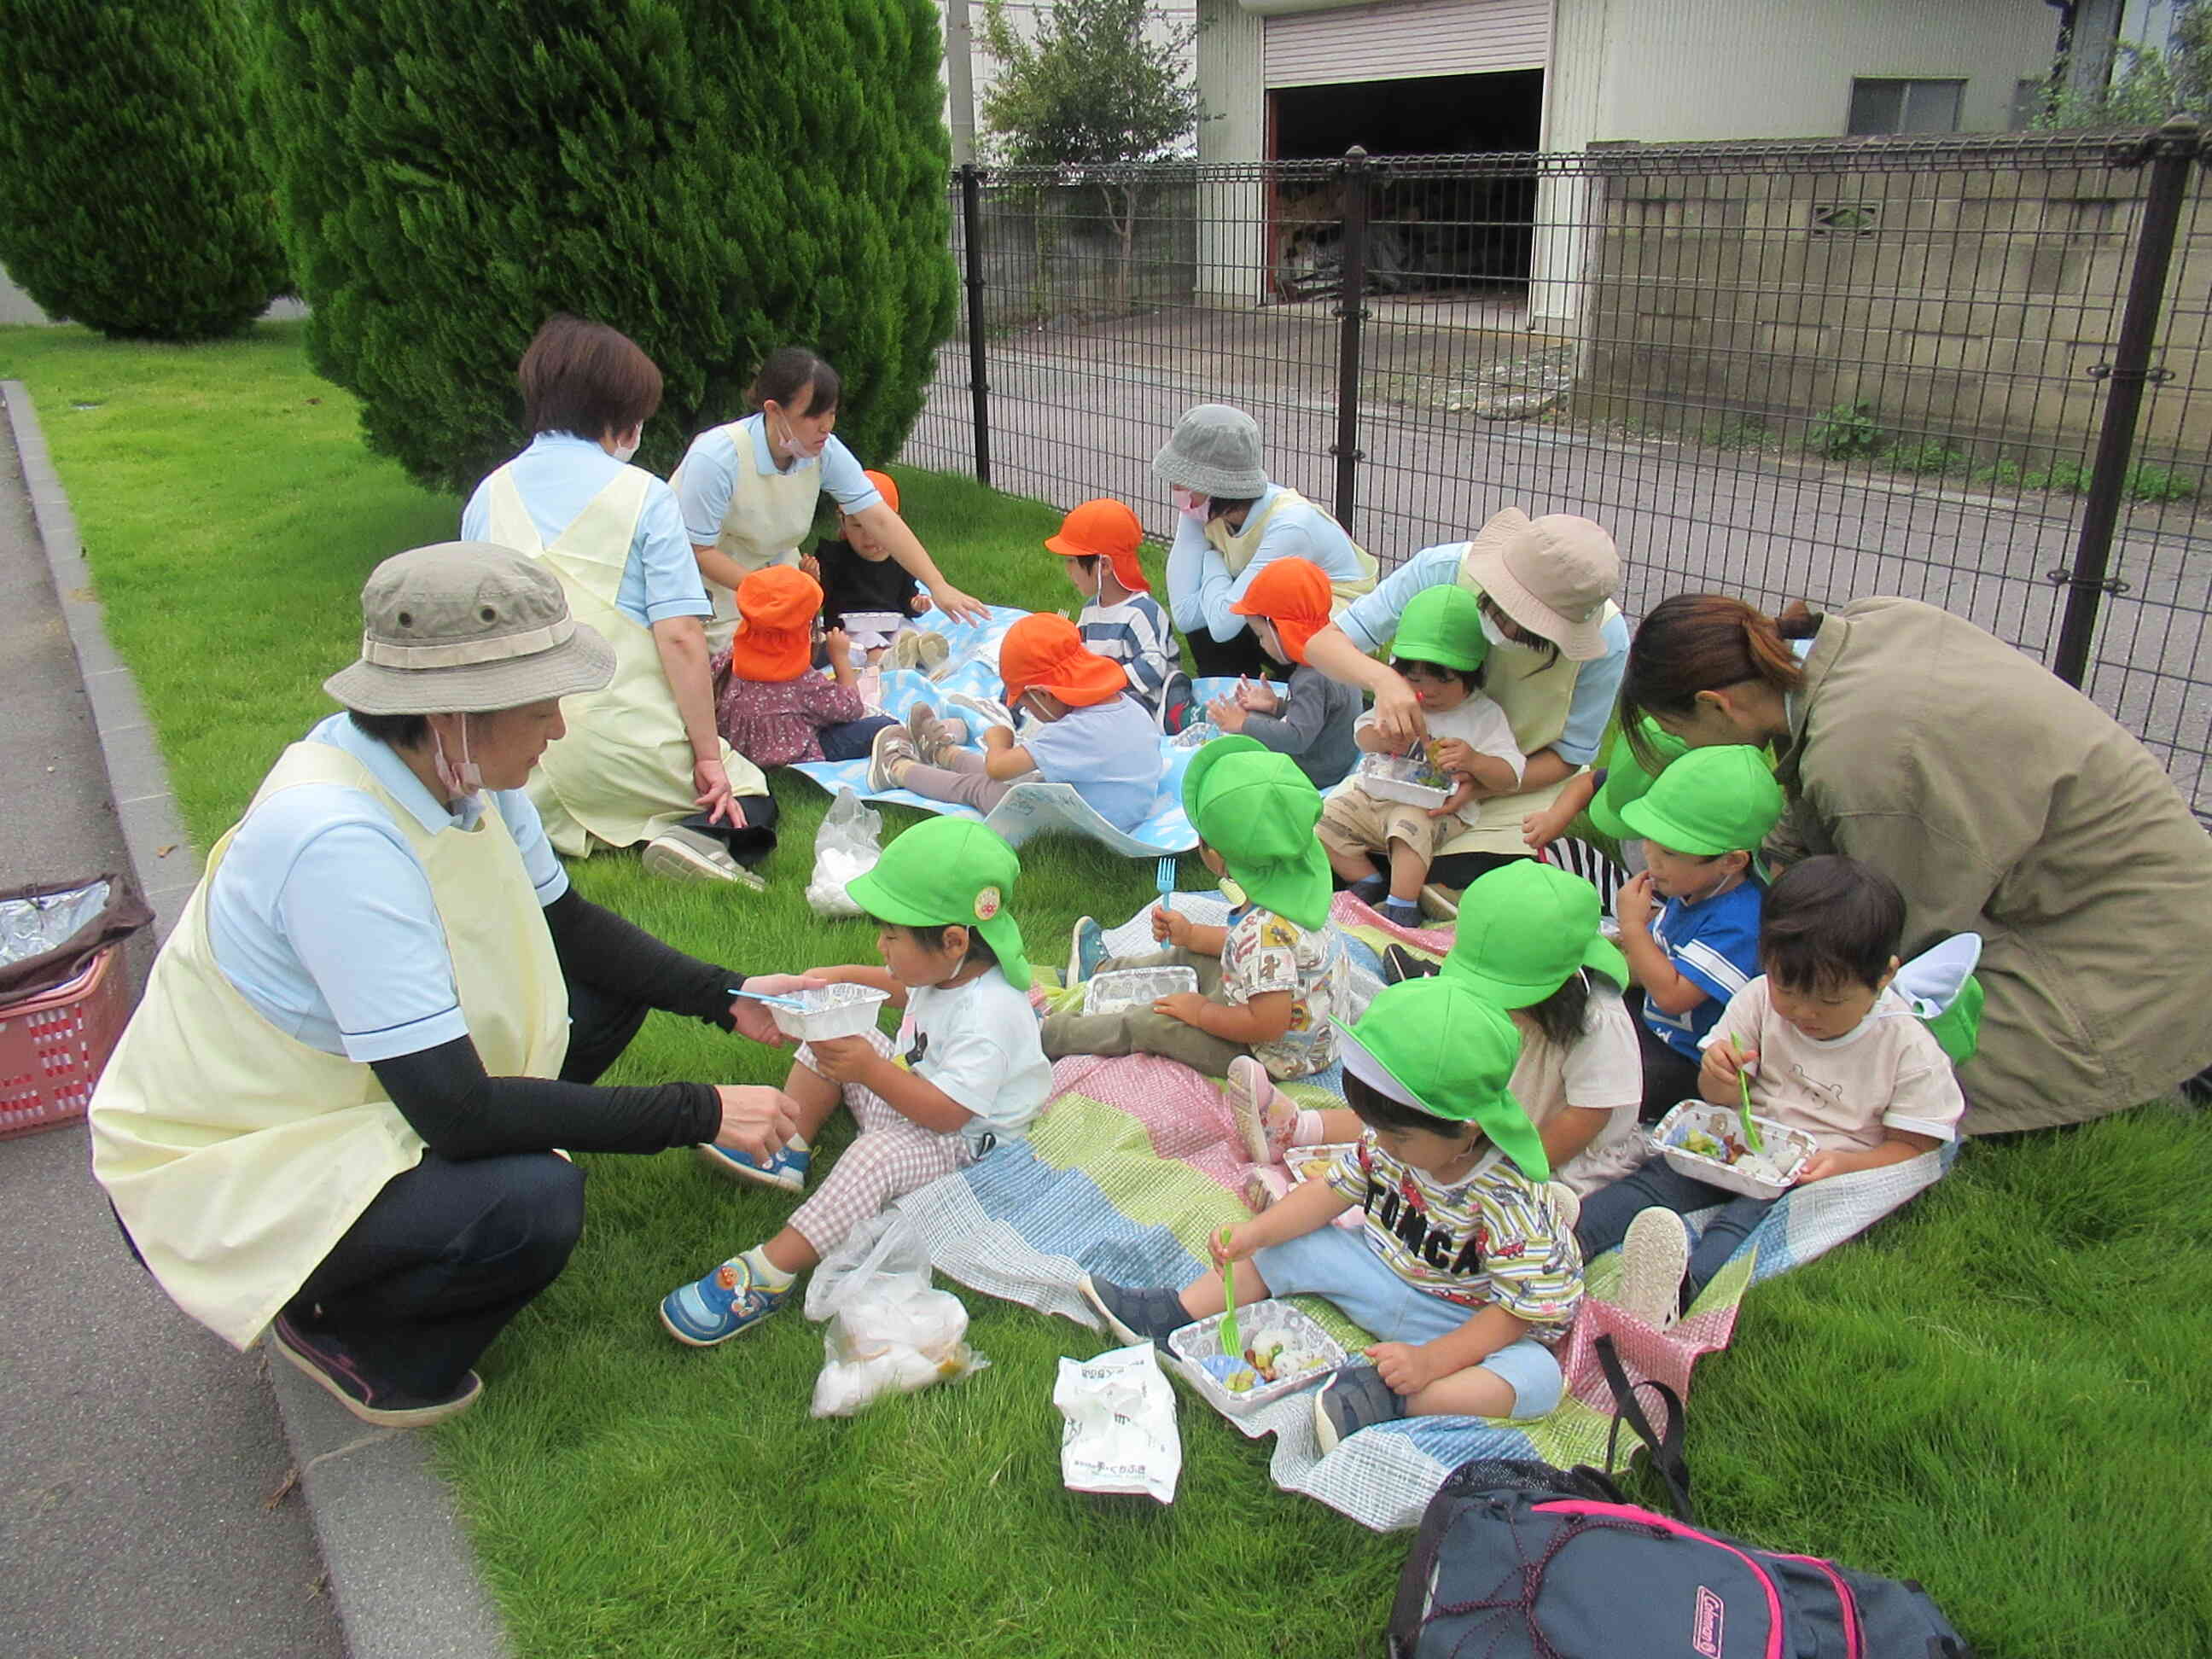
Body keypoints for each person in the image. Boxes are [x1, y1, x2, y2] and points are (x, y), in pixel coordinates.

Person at [90, 544, 808, 1428]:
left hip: (354, 1091)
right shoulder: (337, 842)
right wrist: (697, 1111)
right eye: (541, 704)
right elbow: (456, 1112)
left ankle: (446, 1201)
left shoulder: (458, 767)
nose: (558, 727)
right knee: (533, 1205)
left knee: (603, 992)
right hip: (231, 1159)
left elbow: (566, 925)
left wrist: (727, 993)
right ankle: (345, 1331)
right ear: (450, 714)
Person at [1616, 591, 2212, 1132]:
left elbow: (1888, 937)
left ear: (1715, 704)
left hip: (2126, 952)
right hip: (2100, 886)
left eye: (1680, 732)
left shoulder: (1869, 767)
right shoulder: (1862, 630)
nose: (1689, 751)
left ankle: (2154, 1074)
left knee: (1850, 1063)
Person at [1079, 977, 1581, 1450]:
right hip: (1381, 1269)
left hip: (1461, 1318)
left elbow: (1515, 1313)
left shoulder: (1508, 1199)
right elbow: (1330, 1193)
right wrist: (1256, 1233)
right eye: (1376, 1130)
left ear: (1468, 1129)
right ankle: (1176, 1315)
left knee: (1536, 1380)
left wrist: (1430, 1362)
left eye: (1398, 1137)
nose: (1381, 1145)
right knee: (1289, 1241)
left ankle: (1395, 1398)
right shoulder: (1389, 1144)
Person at [660, 818, 1051, 1345]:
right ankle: (788, 1149)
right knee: (830, 1033)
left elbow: (947, 1115)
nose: (881, 944)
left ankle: (771, 1271)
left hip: (965, 1148)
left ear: (954, 940)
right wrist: (837, 979)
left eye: (892, 934)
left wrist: (869, 1068)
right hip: (921, 1091)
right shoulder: (950, 969)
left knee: (873, 1158)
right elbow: (899, 988)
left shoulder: (989, 1018)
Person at [1577, 856, 1966, 1327]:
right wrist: (1719, 1076)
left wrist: (1846, 1164)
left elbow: (1918, 1148)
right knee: (1659, 1179)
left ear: (1883, 977)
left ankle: (1678, 1293)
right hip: (1743, 1139)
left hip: (1811, 1166)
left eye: (1829, 1000)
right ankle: (1569, 1236)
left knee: (1742, 1226)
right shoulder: (1760, 998)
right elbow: (1715, 1097)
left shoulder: (1906, 1047)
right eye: (1789, 990)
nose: (1804, 1012)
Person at [461, 316, 776, 887]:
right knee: (749, 795)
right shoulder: (647, 498)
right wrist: (708, 755)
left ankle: (545, 833)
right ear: (619, 415)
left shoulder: (488, 495)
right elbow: (679, 637)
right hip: (625, 744)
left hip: (517, 761)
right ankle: (696, 838)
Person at [1239, 861, 1643, 1202]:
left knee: (1445, 1196)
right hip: (1492, 1114)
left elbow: (1584, 1119)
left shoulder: (1598, 1021)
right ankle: (1297, 1127)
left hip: (1557, 1156)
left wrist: (1505, 1170)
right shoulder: (1519, 997)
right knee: (1411, 1117)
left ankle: (1342, 1206)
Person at [1302, 508, 1627, 899]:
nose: (1506, 632)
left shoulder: (1609, 640)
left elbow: (1568, 756)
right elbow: (1323, 645)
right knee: (1318, 846)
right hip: (1408, 776)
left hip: (1513, 783)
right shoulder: (1440, 570)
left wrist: (1481, 784)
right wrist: (1384, 681)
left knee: (1455, 884)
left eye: (1529, 630)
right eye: (1504, 611)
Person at [1045, 736, 1348, 1080]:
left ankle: (1052, 1034)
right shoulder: (1300, 888)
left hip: (1266, 1055)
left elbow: (1267, 1024)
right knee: (1190, 956)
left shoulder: (1264, 931)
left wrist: (1200, 1012)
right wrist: (1189, 934)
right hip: (1283, 1017)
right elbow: (1255, 953)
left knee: (1153, 1023)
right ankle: (1103, 970)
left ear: (1216, 856)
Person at [672, 346, 986, 652]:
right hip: (704, 582)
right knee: (747, 666)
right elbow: (698, 550)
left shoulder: (824, 451)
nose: (826, 426)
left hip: (772, 574)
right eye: (812, 415)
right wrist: (766, 591)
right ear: (773, 411)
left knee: (794, 657)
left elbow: (879, 517)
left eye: (832, 413)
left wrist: (937, 584)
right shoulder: (717, 456)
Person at [1317, 584, 1524, 928]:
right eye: (1414, 680)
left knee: (1407, 823)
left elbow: (1511, 774)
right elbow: (1363, 735)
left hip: (1436, 811)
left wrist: (1474, 761)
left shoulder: (1482, 715)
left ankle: (1402, 906)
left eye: (1442, 683)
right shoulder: (1399, 700)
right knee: (1322, 818)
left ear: (1473, 676)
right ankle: (1368, 880)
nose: (1426, 693)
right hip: (1375, 797)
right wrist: (1383, 737)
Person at [1612, 745, 1783, 1117]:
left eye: (1670, 853)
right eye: (1649, 843)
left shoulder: (1740, 920)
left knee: (1611, 1080)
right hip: (1654, 1023)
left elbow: (1674, 996)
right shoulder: (1691, 887)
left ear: (1731, 861)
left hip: (1692, 1058)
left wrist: (1630, 927)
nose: (1651, 860)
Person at [871, 614, 1162, 832]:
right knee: (1022, 778)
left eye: (1024, 703)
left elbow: (997, 769)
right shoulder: (1128, 707)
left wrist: (1000, 737)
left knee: (982, 788)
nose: (1026, 710)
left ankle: (896, 769)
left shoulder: (1075, 731)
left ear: (1043, 694)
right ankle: (942, 754)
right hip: (1119, 809)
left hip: (1085, 828)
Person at [1153, 404, 1377, 678]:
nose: (1175, 487)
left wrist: (1212, 560)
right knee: (1215, 613)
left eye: (1183, 479)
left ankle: (1302, 702)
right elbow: (1186, 616)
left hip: (1331, 624)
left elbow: (1225, 623)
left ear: (1215, 485)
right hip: (1269, 608)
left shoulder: (1290, 525)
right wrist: (1222, 589)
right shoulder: (1200, 507)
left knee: (1239, 611)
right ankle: (1227, 692)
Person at [712, 566, 897, 767]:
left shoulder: (731, 656)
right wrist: (840, 659)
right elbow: (851, 709)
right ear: (806, 626)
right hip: (795, 753)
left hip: (740, 746)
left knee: (825, 649)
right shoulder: (802, 683)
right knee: (884, 726)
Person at [1204, 556, 1360, 789]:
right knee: (1255, 718)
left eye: (1261, 636)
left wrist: (1243, 723)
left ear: (1281, 628)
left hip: (1315, 773)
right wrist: (1277, 706)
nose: (1261, 645)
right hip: (1335, 756)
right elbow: (1324, 715)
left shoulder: (1310, 678)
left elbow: (1297, 738)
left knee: (1239, 737)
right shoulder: (1332, 653)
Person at [1046, 497, 1193, 731]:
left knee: (1093, 719)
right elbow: (1080, 654)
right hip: (1105, 696)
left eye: (1072, 561)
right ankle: (1013, 713)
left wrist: (1102, 682)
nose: (1067, 569)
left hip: (1142, 700)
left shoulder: (1141, 612)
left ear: (1104, 566)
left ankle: (1176, 712)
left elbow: (1153, 666)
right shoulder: (1090, 610)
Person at [813, 469, 929, 637]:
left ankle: (919, 650)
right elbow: (819, 600)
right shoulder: (832, 556)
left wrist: (915, 605)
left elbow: (906, 603)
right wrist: (812, 580)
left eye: (878, 526)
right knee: (866, 641)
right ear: (842, 520)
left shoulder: (901, 557)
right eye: (858, 526)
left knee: (909, 634)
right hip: (848, 630)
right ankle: (885, 656)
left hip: (891, 625)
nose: (869, 536)